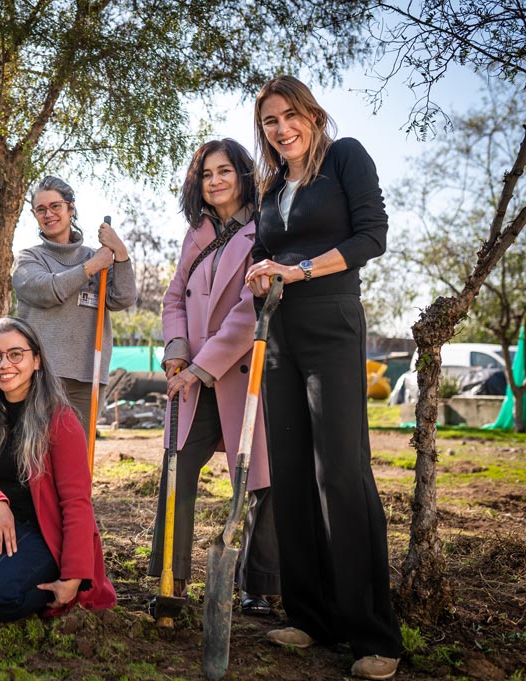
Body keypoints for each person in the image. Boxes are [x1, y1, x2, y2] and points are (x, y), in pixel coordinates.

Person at [242, 75, 401, 681]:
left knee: (340, 474)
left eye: (290, 116)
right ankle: (311, 617)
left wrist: (300, 269)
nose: (281, 129)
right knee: (290, 474)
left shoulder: (344, 158)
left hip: (333, 325)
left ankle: (373, 634)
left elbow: (372, 236)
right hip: (277, 333)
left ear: (312, 114)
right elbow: (265, 253)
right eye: (270, 122)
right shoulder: (271, 187)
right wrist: (261, 272)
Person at [149, 139, 280, 614]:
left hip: (243, 371)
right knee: (177, 465)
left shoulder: (267, 228)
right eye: (206, 174)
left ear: (243, 175)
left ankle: (258, 585)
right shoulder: (196, 233)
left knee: (259, 478)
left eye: (224, 171)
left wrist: (203, 367)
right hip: (190, 374)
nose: (215, 181)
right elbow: (174, 299)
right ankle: (171, 578)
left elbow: (251, 309)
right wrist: (177, 354)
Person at [0, 317, 117, 629]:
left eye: (16, 354)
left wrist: (73, 577)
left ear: (36, 360)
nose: (5, 364)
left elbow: (76, 502)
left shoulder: (60, 419)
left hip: (43, 535)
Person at [12, 176, 137, 436]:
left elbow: (123, 298)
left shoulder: (96, 256)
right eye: (41, 209)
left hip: (88, 375)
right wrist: (91, 268)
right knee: (38, 450)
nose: (48, 214)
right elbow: (48, 290)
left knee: (79, 450)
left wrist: (120, 253)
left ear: (71, 208)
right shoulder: (29, 258)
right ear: (34, 215)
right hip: (41, 374)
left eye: (55, 206)